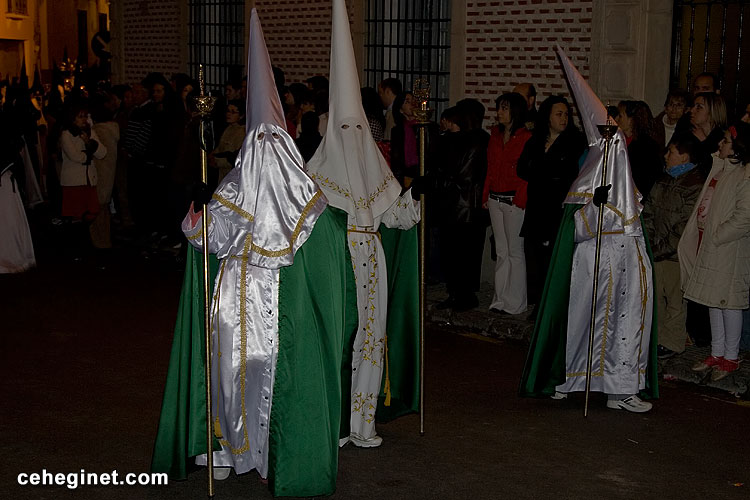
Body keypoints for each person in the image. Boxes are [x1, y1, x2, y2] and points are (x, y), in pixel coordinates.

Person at [152, 9, 356, 497]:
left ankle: (267, 453)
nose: (265, 154)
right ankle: (225, 451)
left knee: (268, 376)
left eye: (273, 143)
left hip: (275, 303)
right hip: (234, 299)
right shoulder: (236, 188)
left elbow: (324, 244)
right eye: (258, 143)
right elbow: (203, 238)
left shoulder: (305, 200)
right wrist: (200, 206)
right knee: (229, 373)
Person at [307, 0, 420, 449]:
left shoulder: (376, 169)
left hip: (372, 258)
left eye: (360, 129)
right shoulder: (314, 175)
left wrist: (416, 194)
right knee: (341, 338)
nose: (353, 138)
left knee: (372, 337)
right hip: (338, 264)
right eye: (345, 128)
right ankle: (335, 422)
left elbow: (398, 217)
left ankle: (363, 421)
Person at [520, 47, 657, 413]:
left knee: (625, 326)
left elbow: (633, 221)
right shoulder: (586, 180)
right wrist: (595, 205)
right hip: (593, 263)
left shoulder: (627, 181)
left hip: (627, 261)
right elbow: (576, 229)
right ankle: (572, 379)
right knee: (585, 324)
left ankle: (620, 389)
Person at [679, 122, 750, 381]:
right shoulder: (721, 169)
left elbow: (745, 216)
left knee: (728, 303)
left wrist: (718, 235)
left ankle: (730, 356)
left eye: (726, 141)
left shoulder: (744, 174)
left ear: (738, 147)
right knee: (712, 300)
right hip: (711, 245)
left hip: (729, 249)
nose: (720, 145)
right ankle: (717, 352)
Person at [517, 95, 586, 306]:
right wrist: (544, 172)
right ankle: (538, 303)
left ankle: (553, 305)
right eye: (559, 114)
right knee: (534, 258)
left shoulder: (575, 142)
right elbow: (522, 168)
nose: (563, 118)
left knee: (553, 259)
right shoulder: (536, 140)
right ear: (548, 116)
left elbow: (567, 173)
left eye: (566, 114)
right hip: (536, 207)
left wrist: (542, 171)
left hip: (557, 209)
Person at [642, 134, 704, 359]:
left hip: (676, 255)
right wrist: (648, 241)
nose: (666, 156)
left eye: (671, 152)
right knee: (656, 298)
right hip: (656, 251)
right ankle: (657, 338)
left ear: (684, 157)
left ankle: (673, 342)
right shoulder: (664, 180)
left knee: (675, 301)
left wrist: (658, 250)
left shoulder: (694, 185)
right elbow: (648, 211)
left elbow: (684, 227)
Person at [431, 104, 488, 311]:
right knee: (451, 254)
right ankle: (454, 293)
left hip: (466, 207)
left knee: (464, 255)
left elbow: (464, 175)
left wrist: (444, 180)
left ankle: (465, 295)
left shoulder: (478, 141)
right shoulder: (453, 140)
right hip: (451, 206)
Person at [482, 92, 531, 315]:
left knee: (515, 251)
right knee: (501, 251)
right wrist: (486, 195)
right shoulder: (495, 135)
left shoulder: (525, 138)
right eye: (499, 108)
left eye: (504, 108)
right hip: (495, 198)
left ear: (515, 111)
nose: (499, 113)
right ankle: (500, 299)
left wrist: (521, 198)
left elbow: (526, 173)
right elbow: (491, 167)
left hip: (513, 199)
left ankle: (516, 302)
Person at [60, 102, 108, 257]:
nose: (84, 120)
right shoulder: (66, 134)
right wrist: (88, 154)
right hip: (74, 180)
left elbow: (102, 152)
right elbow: (75, 156)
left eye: (85, 116)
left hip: (88, 178)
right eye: (80, 116)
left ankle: (82, 243)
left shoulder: (90, 132)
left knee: (92, 211)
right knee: (76, 214)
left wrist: (89, 144)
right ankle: (76, 246)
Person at [89, 93, 120, 250]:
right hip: (109, 173)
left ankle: (100, 241)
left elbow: (98, 152)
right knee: (104, 208)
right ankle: (105, 240)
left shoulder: (98, 132)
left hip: (99, 173)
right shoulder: (112, 129)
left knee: (98, 208)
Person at [616, 100, 662, 199]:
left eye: (620, 116)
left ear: (631, 119)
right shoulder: (618, 140)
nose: (616, 119)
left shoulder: (646, 146)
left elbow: (644, 179)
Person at [209, 99, 245, 183]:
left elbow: (236, 157)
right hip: (222, 173)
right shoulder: (228, 128)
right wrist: (212, 155)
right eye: (228, 111)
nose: (229, 114)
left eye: (233, 112)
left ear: (241, 116)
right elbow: (220, 147)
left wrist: (217, 162)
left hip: (232, 175)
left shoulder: (242, 132)